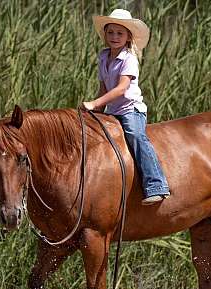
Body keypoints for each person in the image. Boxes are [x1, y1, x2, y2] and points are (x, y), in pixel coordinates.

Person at [83, 9, 170, 205]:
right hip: (113, 111)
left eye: (120, 33)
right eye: (111, 32)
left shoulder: (129, 58)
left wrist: (95, 103)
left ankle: (157, 184)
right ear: (105, 35)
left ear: (128, 37)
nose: (115, 37)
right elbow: (103, 87)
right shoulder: (104, 56)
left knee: (135, 136)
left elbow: (122, 88)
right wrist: (94, 111)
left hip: (130, 109)